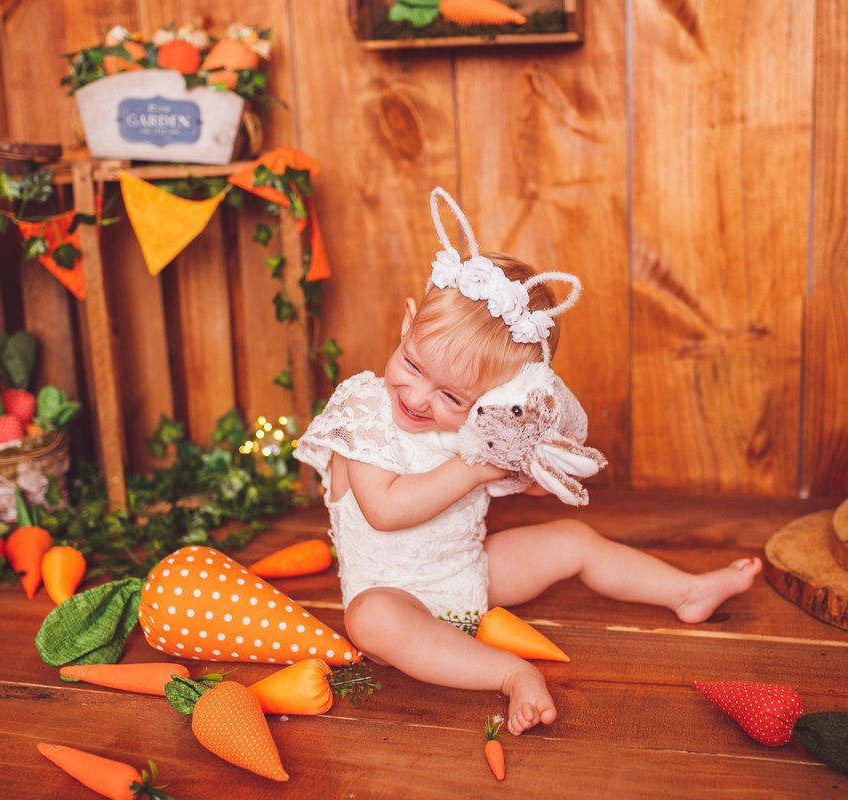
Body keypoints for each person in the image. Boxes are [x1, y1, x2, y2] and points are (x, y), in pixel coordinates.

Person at [294, 188, 762, 736]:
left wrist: (530, 462)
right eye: (413, 365)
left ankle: (685, 591)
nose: (419, 399)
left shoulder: (480, 425)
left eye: (452, 396)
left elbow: (528, 486)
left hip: (470, 577)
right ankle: (510, 674)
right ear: (407, 323)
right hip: (394, 596)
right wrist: (475, 466)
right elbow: (384, 510)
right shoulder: (364, 409)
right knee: (369, 619)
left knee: (570, 537)